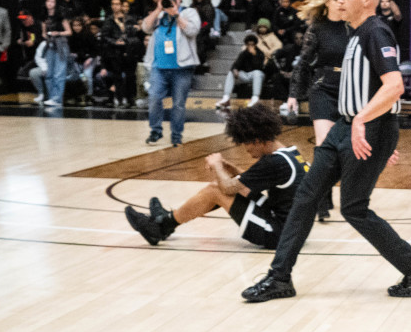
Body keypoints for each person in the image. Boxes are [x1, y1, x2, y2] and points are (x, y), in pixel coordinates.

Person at [241, 0, 411, 303]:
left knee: (354, 208)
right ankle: (279, 277)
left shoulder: (376, 32)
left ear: (366, 0)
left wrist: (368, 125)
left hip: (367, 130)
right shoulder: (355, 32)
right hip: (343, 128)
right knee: (306, 197)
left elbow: (395, 87)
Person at [124, 103, 309, 248]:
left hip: (277, 234)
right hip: (294, 231)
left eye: (246, 143)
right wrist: (230, 168)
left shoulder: (273, 162)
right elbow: (248, 183)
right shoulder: (291, 153)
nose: (246, 149)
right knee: (230, 188)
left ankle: (161, 226)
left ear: (258, 140)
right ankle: (166, 220)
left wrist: (217, 165)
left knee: (216, 190)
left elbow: (228, 187)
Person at [287, 0, 348, 221]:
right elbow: (303, 63)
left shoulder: (355, 26)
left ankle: (335, 193)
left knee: (343, 150)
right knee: (323, 146)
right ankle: (321, 202)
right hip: (323, 89)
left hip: (349, 91)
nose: (341, 3)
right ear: (327, 2)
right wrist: (293, 94)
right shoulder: (317, 28)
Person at [143, 0, 200, 146]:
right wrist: (158, 9)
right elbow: (145, 28)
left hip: (182, 69)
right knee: (154, 98)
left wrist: (176, 14)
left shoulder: (189, 13)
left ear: (179, 0)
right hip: (158, 67)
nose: (169, 2)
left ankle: (176, 135)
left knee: (178, 104)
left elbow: (192, 30)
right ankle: (155, 130)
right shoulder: (159, 14)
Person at [215, 33, 266, 108]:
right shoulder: (243, 53)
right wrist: (235, 70)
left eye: (252, 45)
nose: (250, 46)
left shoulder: (260, 53)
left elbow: (259, 67)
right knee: (231, 73)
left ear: (255, 45)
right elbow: (235, 64)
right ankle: (226, 98)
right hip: (246, 75)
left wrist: (254, 55)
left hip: (257, 75)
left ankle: (255, 97)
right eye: (249, 45)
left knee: (257, 73)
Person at [41, 0, 71, 108]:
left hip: (61, 44)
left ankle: (57, 98)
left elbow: (69, 31)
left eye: (52, 1)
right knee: (49, 73)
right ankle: (51, 96)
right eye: (48, 1)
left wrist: (58, 33)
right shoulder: (44, 17)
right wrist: (46, 36)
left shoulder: (60, 16)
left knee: (59, 72)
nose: (49, 3)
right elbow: (43, 32)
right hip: (50, 44)